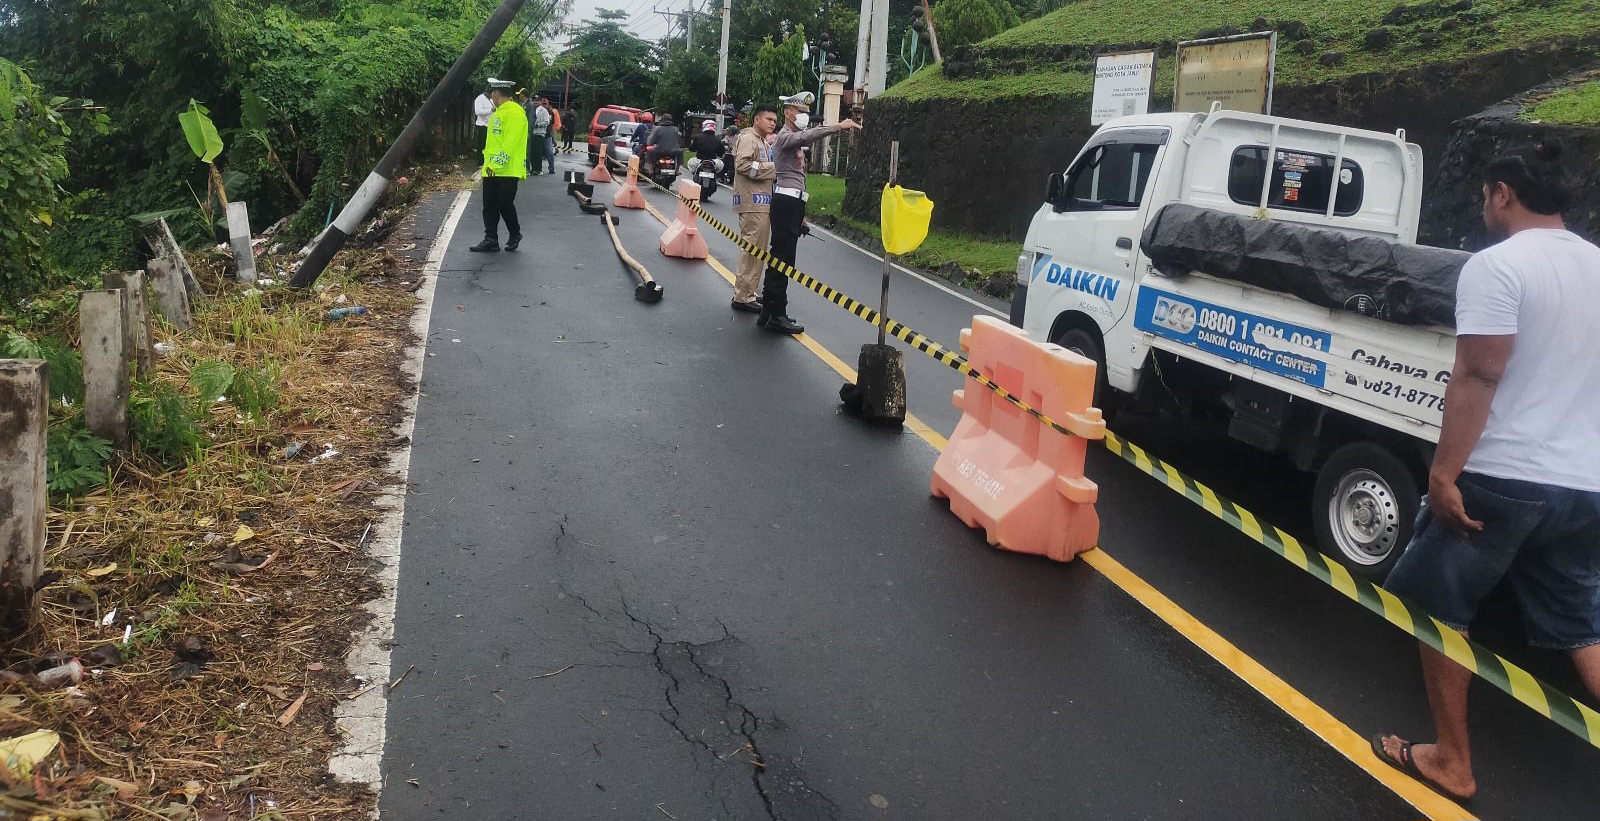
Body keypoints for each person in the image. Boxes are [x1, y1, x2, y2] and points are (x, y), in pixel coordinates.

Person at [1372, 136, 1600, 802]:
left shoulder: (1498, 267)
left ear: (1504, 194)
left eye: (1485, 195)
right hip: (1585, 484)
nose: (1483, 206)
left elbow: (1479, 371)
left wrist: (1444, 475)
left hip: (1505, 478)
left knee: (1435, 606)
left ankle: (1451, 760)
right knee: (1584, 626)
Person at [759, 91, 861, 334]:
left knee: (780, 259)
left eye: (806, 113)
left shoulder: (793, 139)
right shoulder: (785, 137)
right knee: (783, 260)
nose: (804, 116)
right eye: (800, 112)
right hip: (785, 203)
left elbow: (799, 180)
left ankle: (768, 310)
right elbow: (810, 134)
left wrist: (801, 214)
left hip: (791, 205)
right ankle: (777, 313)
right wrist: (837, 126)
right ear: (788, 112)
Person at [729, 106, 779, 313]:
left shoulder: (761, 141)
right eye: (768, 118)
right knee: (752, 250)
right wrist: (775, 169)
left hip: (761, 202)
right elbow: (742, 165)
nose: (773, 123)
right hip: (752, 202)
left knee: (758, 251)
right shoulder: (749, 139)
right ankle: (742, 296)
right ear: (756, 119)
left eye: (775, 120)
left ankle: (749, 293)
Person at [470, 79, 528, 253]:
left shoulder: (515, 113)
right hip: (492, 169)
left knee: (504, 203)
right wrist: (488, 167)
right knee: (489, 205)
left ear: (496, 94)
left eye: (492, 95)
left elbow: (510, 144)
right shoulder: (498, 112)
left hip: (508, 169)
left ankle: (515, 233)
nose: (492, 98)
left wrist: (496, 165)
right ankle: (491, 239)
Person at [527, 95, 553, 175]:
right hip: (532, 133)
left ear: (540, 101)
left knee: (538, 152)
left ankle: (538, 169)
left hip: (540, 133)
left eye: (538, 100)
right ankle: (533, 168)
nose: (536, 102)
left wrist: (537, 125)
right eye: (534, 100)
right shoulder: (532, 110)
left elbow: (546, 122)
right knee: (532, 152)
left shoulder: (544, 111)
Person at [542, 98, 560, 174]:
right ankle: (536, 168)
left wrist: (554, 138)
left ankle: (551, 168)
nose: (544, 105)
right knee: (537, 153)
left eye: (545, 104)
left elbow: (552, 125)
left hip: (547, 135)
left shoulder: (550, 112)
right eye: (543, 104)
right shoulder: (537, 111)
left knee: (550, 152)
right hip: (538, 135)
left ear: (548, 104)